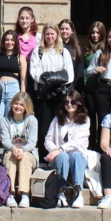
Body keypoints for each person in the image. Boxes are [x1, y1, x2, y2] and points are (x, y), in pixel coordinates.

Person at [30, 22, 74, 160]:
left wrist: (53, 79)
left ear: (57, 35)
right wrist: (48, 80)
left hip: (59, 94)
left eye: (52, 33)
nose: (49, 36)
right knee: (44, 127)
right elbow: (35, 72)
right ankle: (44, 157)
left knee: (59, 127)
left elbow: (69, 74)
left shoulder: (63, 51)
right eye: (47, 34)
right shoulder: (38, 51)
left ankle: (59, 156)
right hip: (43, 93)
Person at [44, 89, 90, 208]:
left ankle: (78, 192)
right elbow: (48, 140)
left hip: (77, 157)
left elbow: (77, 142)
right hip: (60, 158)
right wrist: (56, 151)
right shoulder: (57, 119)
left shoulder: (85, 120)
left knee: (75, 155)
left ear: (79, 103)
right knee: (63, 156)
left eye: (73, 102)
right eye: (66, 102)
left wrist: (59, 149)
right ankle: (61, 192)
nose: (69, 105)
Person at [0, 92, 38, 208]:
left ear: (27, 107)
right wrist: (13, 148)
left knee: (25, 157)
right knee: (11, 156)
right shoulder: (5, 120)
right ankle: (10, 194)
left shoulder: (32, 120)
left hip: (28, 153)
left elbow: (32, 142)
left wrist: (22, 149)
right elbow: (5, 140)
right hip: (10, 151)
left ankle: (24, 194)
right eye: (16, 104)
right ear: (11, 104)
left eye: (22, 105)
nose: (18, 107)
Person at [0, 30, 28, 128]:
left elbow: (23, 78)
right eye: (7, 40)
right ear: (3, 42)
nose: (9, 42)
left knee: (11, 117)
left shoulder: (20, 58)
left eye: (12, 40)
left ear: (16, 42)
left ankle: (8, 143)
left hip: (14, 87)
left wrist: (22, 94)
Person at [83, 21, 106, 148]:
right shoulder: (86, 49)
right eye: (93, 32)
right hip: (89, 88)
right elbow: (84, 69)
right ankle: (91, 145)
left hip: (102, 88)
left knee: (103, 118)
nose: (95, 35)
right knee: (90, 118)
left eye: (98, 32)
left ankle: (101, 146)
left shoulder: (106, 48)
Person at [15, 7, 40, 99]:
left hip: (32, 71)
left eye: (27, 18)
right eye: (21, 18)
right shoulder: (14, 36)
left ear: (32, 19)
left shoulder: (38, 36)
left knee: (31, 97)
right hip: (18, 71)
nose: (24, 20)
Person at [58, 19, 84, 90]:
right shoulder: (55, 47)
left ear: (72, 31)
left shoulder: (77, 48)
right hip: (58, 85)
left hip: (71, 87)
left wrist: (78, 89)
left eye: (67, 29)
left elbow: (79, 71)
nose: (64, 31)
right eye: (62, 29)